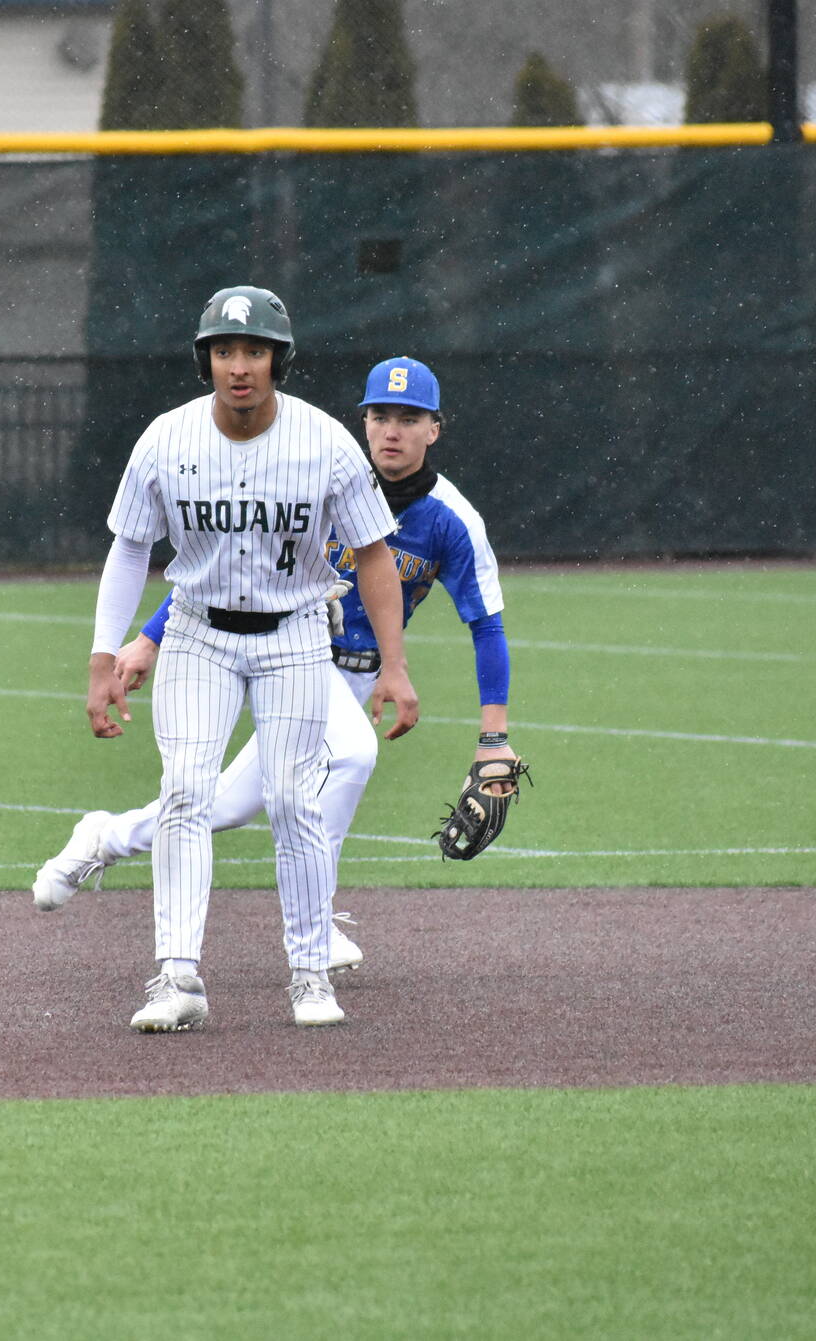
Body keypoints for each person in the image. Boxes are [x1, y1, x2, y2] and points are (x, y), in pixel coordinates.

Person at [39, 354, 517, 983]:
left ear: (435, 429)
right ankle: (316, 919)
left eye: (410, 418)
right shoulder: (319, 474)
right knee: (352, 755)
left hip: (356, 675)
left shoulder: (451, 519)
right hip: (293, 652)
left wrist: (494, 740)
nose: (391, 431)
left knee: (221, 808)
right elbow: (230, 565)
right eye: (379, 416)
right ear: (363, 422)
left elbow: (486, 624)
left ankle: (104, 837)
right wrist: (151, 639)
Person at [75, 286, 418, 1032]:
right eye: (225, 350)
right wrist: (105, 656)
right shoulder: (166, 439)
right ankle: (176, 976)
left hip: (295, 633)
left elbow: (372, 554)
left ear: (277, 360)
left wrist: (392, 664)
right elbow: (130, 546)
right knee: (186, 788)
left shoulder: (326, 442)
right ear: (207, 360)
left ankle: (308, 975)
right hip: (197, 632)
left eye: (254, 351)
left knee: (294, 799)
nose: (239, 366)